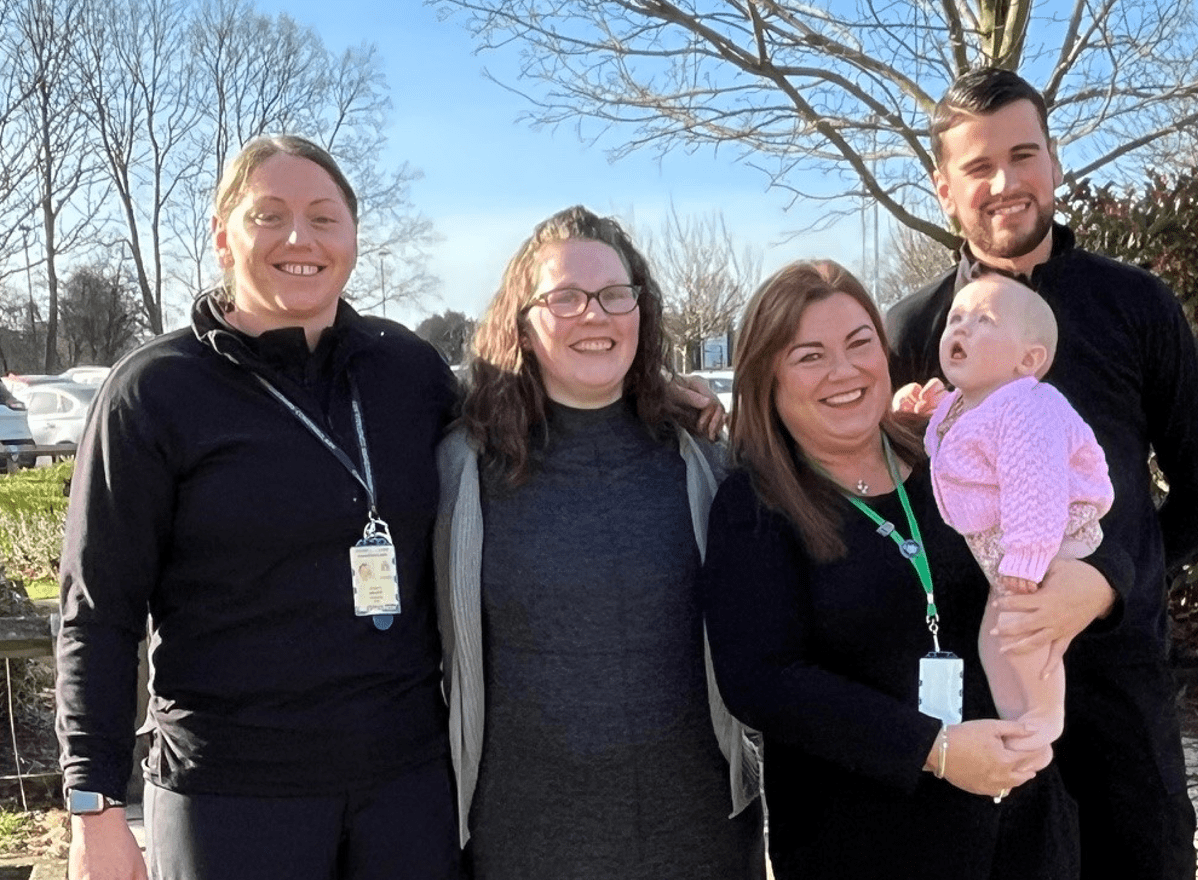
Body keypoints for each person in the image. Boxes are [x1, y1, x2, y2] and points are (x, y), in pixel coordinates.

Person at [56, 135, 461, 880]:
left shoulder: (409, 370)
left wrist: (664, 405)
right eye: (267, 215)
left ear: (354, 238)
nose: (299, 239)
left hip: (406, 789)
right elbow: (98, 612)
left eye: (323, 217)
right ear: (222, 238)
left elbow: (526, 436)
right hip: (230, 798)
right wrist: (94, 810)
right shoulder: (154, 392)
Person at [887, 67, 1198, 879]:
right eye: (978, 168)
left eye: (1024, 156)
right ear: (943, 188)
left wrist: (1110, 580)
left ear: (1054, 164)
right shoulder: (913, 331)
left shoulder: (1138, 305)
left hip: (1123, 698)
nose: (1005, 184)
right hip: (983, 701)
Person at [699, 259, 1078, 880]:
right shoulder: (755, 505)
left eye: (859, 343)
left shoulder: (950, 455)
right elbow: (762, 679)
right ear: (768, 376)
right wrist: (936, 749)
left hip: (1019, 828)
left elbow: (1066, 509)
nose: (844, 371)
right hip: (864, 840)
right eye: (809, 356)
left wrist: (1087, 587)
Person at [434, 205, 763, 879]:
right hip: (523, 838)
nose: (596, 314)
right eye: (565, 297)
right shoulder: (462, 469)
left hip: (701, 834)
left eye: (616, 295)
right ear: (522, 324)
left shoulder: (703, 460)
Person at [926, 274, 1114, 752]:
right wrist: (927, 407)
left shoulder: (1028, 408)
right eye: (956, 318)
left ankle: (1043, 722)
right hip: (1004, 544)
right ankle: (1018, 720)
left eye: (983, 320)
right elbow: (953, 444)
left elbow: (1037, 489)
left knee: (1027, 634)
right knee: (999, 640)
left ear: (1028, 361)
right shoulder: (964, 403)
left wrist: (1026, 561)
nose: (961, 329)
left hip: (1045, 537)